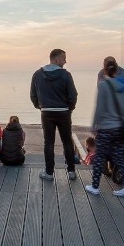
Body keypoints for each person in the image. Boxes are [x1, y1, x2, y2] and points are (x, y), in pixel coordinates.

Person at [85, 59, 124, 198]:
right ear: (117, 69)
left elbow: (99, 107)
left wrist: (94, 125)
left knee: (100, 157)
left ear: (105, 70)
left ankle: (95, 187)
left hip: (106, 128)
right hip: (119, 127)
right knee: (120, 158)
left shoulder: (104, 85)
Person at [30, 48, 78, 181]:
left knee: (49, 143)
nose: (65, 61)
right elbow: (73, 95)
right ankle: (71, 171)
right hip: (63, 112)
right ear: (56, 59)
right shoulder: (66, 75)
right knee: (67, 141)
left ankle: (49, 173)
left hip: (46, 112)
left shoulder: (37, 74)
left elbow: (33, 95)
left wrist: (41, 107)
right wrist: (70, 108)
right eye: (63, 58)